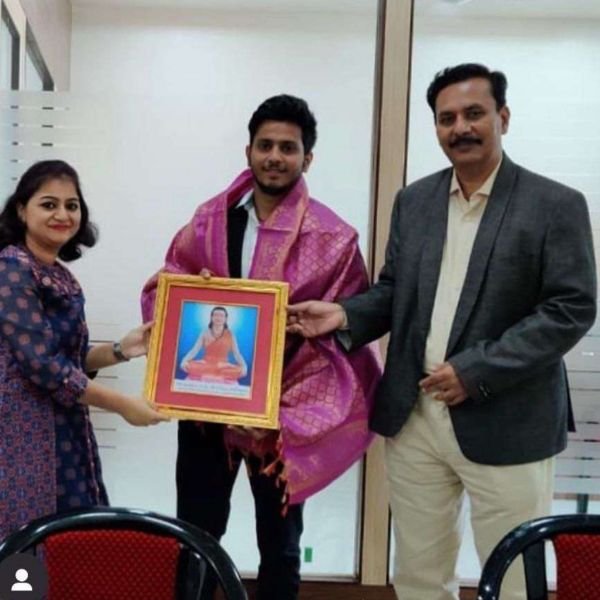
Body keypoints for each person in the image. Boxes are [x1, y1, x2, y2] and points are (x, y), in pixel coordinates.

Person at [287, 64, 597, 600]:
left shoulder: (555, 204)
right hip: (416, 415)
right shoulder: (415, 201)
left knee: (513, 575)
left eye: (474, 113)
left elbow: (570, 308)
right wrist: (344, 315)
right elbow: (395, 290)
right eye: (447, 118)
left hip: (510, 418)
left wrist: (475, 371)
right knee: (419, 574)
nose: (461, 127)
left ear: (503, 117)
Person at [141, 94, 381, 600]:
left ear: (307, 158)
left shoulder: (334, 237)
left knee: (281, 545)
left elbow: (348, 325)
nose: (275, 156)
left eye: (287, 148)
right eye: (265, 145)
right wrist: (195, 297)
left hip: (282, 417)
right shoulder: (210, 219)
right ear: (248, 151)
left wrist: (278, 399)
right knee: (197, 536)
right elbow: (169, 285)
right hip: (207, 409)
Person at [0, 160, 167, 542]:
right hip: (22, 431)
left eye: (71, 205)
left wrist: (121, 349)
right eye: (49, 204)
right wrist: (123, 405)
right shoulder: (12, 268)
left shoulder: (58, 272)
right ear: (22, 210)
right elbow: (44, 365)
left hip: (65, 426)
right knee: (26, 541)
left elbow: (68, 357)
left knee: (72, 538)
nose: (62, 215)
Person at [180, 306, 247, 382]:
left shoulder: (230, 334)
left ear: (225, 319)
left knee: (239, 370)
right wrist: (184, 360)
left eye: (221, 315)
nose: (218, 318)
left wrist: (244, 366)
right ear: (211, 317)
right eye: (216, 315)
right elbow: (195, 350)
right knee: (188, 365)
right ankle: (214, 372)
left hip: (223, 366)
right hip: (206, 364)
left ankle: (216, 372)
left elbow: (237, 354)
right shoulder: (205, 332)